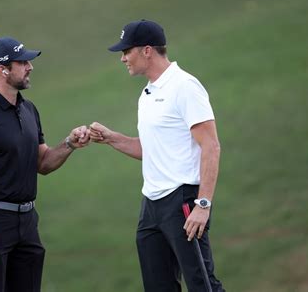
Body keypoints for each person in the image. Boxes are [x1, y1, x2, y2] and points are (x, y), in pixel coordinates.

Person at [90, 20, 225, 291]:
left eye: (127, 51)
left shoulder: (185, 86)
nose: (123, 58)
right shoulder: (147, 94)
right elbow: (151, 150)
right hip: (151, 206)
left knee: (202, 285)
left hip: (183, 201)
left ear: (147, 50)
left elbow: (211, 146)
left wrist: (204, 204)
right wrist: (111, 138)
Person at [0, 36, 89, 292]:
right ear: (3, 70)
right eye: (22, 62)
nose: (30, 66)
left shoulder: (28, 110)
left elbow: (43, 162)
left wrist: (69, 143)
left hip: (26, 223)